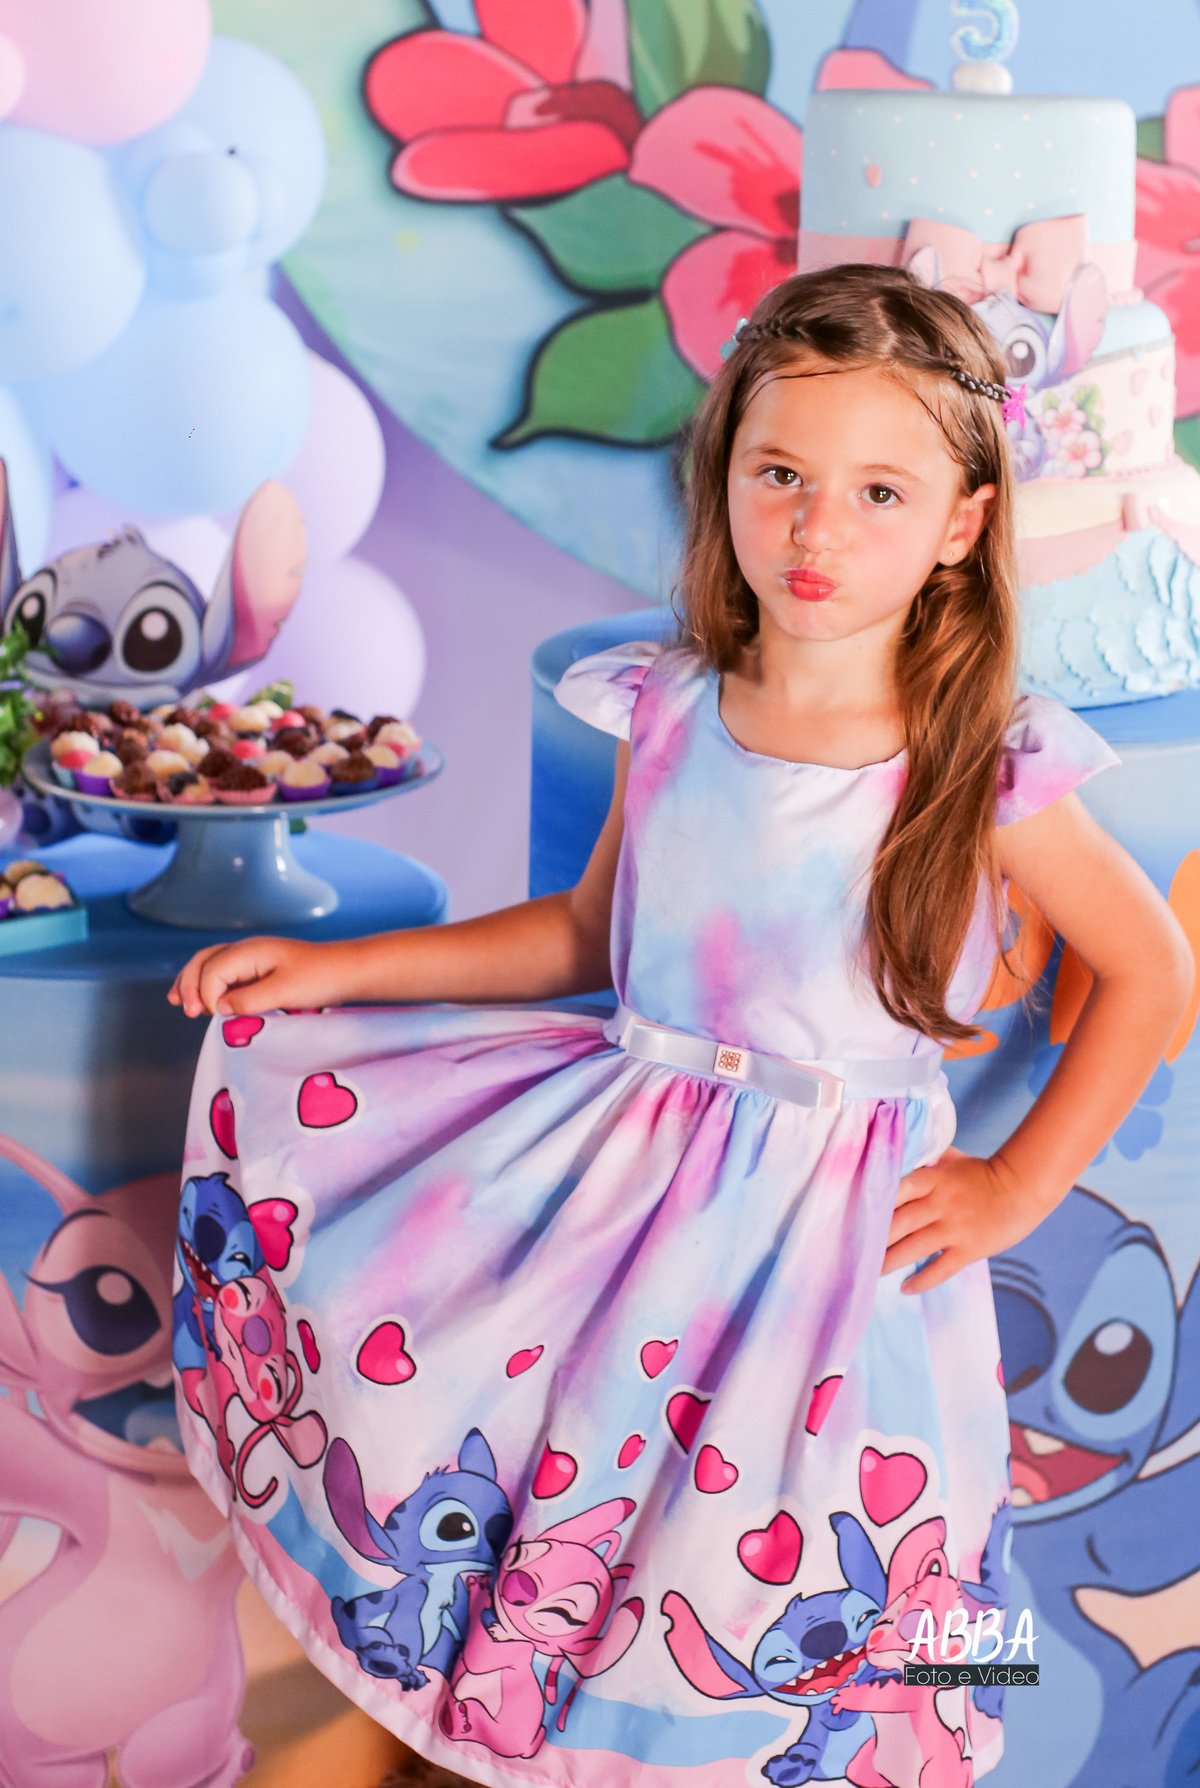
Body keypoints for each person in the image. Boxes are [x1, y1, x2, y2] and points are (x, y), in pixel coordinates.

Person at [169, 266, 1191, 1787]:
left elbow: (1156, 970)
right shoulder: (667, 702)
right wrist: (345, 973)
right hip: (624, 1194)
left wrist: (1015, 1185)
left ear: (961, 523)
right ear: (725, 479)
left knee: (817, 1552)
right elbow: (586, 936)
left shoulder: (981, 760)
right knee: (571, 1507)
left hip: (829, 1245)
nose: (817, 529)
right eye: (780, 475)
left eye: (879, 492)